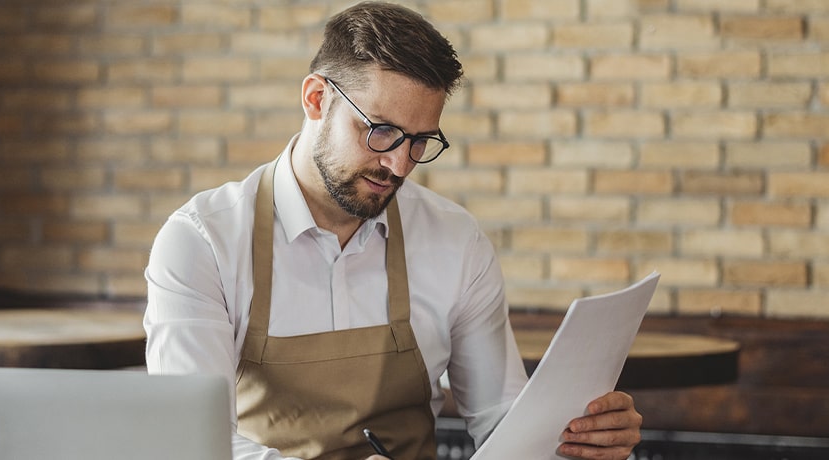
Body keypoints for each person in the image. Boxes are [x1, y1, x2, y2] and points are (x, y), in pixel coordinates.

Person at [143, 2, 643, 459]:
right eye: (380, 131)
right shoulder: (202, 243)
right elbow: (190, 443)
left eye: (421, 141)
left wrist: (574, 438)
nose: (399, 165)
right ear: (317, 99)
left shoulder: (456, 240)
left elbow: (501, 419)